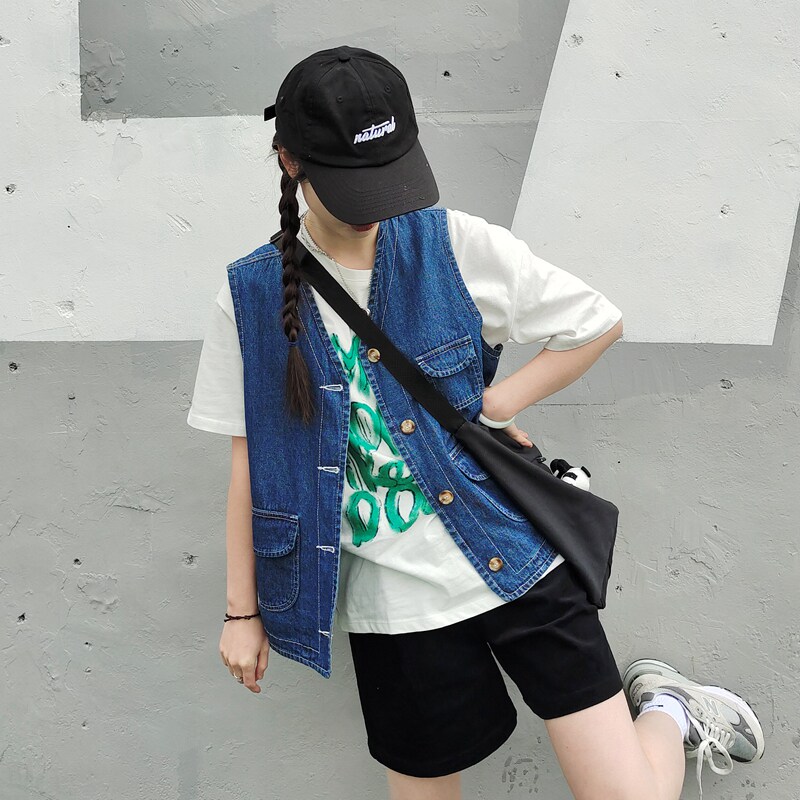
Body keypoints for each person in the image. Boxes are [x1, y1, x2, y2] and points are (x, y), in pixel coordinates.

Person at [187, 44, 765, 800]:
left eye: (387, 176)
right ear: (289, 161)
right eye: (352, 184)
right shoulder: (252, 297)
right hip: (393, 606)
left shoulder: (452, 244)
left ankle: (666, 709)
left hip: (513, 556)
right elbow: (252, 462)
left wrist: (497, 404)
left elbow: (594, 322)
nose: (376, 206)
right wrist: (242, 611)